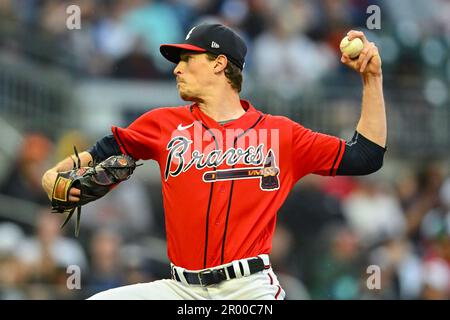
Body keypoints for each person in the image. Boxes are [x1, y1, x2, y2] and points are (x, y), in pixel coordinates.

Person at [41, 23, 386, 300]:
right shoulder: (162, 123)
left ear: (220, 63)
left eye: (187, 59)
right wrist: (52, 177)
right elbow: (97, 153)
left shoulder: (281, 134)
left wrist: (371, 80)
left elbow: (366, 155)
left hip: (248, 288)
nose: (176, 69)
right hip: (180, 288)